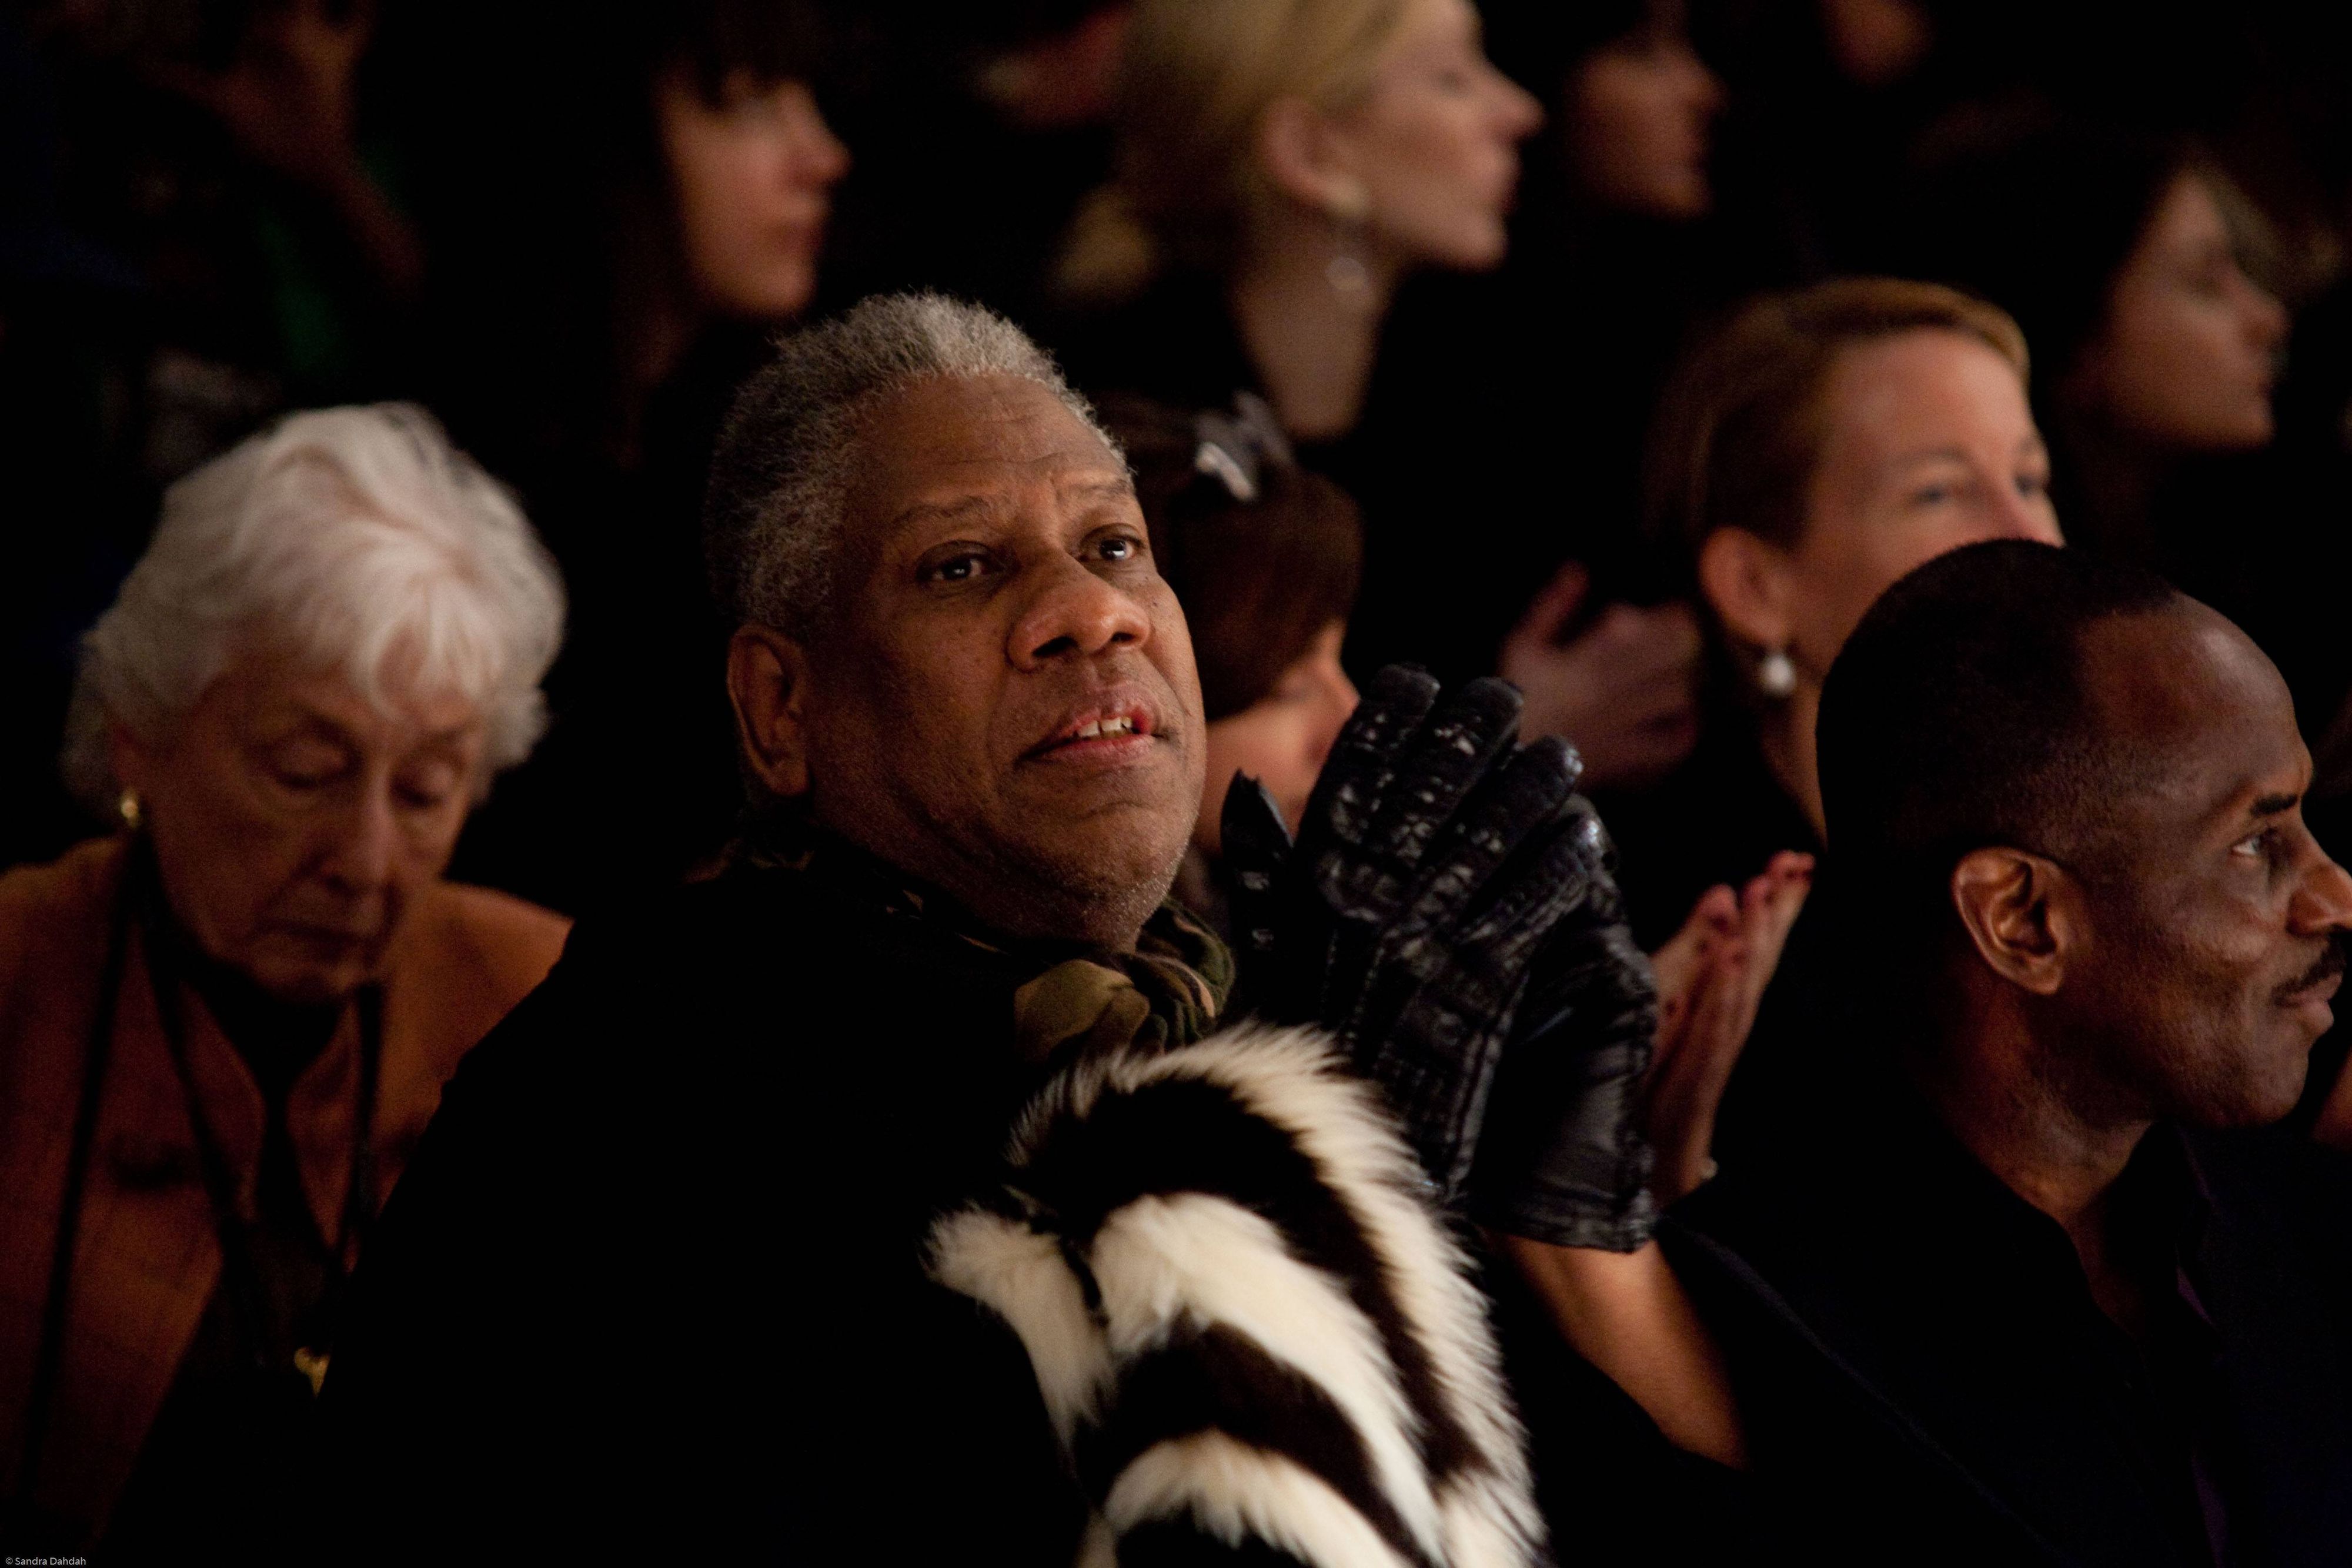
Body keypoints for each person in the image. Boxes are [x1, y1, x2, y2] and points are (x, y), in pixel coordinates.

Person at [323, 294, 1669, 1563]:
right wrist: (1334, 1153)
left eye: (1114, 545)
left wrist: (1560, 1234)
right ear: (780, 709)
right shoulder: (635, 1105)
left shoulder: (1228, 1008)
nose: (1093, 611)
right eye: (963, 565)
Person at [1656, 540, 2352, 1563]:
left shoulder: (2314, 1239)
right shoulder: (1758, 1328)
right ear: (2022, 919)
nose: (2335, 896)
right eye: (2258, 844)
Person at [0, 405, 570, 1556]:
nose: (364, 862)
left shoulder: (547, 1004)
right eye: (304, 769)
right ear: (138, 736)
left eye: (424, 792)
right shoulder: (16, 979)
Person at [412, 0, 851, 914]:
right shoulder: (446, 493)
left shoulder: (770, 448)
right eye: (748, 106)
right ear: (604, 138)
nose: (821, 157)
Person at [1605, 278, 2064, 950]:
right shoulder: (1665, 928)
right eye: (1937, 492)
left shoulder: (2089, 859)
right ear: (1755, 587)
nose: (2029, 536)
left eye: (2028, 481)